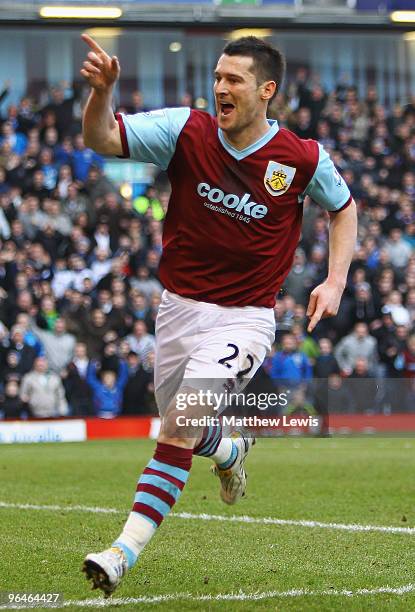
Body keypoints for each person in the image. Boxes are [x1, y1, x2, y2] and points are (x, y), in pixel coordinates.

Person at [80, 33, 357, 595]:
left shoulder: (301, 159)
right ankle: (229, 448)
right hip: (177, 312)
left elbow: (344, 209)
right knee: (181, 426)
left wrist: (335, 280)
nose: (220, 88)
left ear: (266, 91)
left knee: (179, 425)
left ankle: (120, 553)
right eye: (217, 77)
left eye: (234, 80)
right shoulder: (187, 130)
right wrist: (101, 94)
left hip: (245, 319)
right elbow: (102, 138)